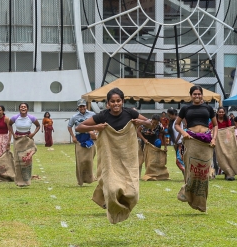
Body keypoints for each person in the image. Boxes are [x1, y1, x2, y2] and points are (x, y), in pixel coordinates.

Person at [76, 88, 151, 221]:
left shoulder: (130, 113)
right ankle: (113, 212)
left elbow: (150, 123)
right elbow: (79, 127)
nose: (116, 104)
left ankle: (109, 202)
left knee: (133, 193)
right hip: (110, 158)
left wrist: (142, 122)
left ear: (122, 101)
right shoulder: (103, 116)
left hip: (127, 157)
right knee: (112, 189)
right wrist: (96, 127)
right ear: (108, 103)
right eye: (112, 101)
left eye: (118, 101)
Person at [173, 86, 217, 210]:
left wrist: (214, 138)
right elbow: (177, 124)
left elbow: (215, 125)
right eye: (194, 94)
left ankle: (201, 202)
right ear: (191, 95)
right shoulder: (185, 108)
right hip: (191, 139)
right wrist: (184, 133)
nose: (197, 96)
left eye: (199, 94)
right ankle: (187, 191)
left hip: (206, 140)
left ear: (202, 95)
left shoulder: (208, 108)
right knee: (192, 170)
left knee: (203, 173)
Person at [167, 108, 185, 174]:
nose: (169, 117)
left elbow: (180, 132)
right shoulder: (173, 121)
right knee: (181, 160)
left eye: (170, 115)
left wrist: (176, 141)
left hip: (180, 142)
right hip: (176, 143)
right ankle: (185, 176)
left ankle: (186, 174)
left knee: (179, 161)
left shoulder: (178, 121)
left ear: (174, 114)